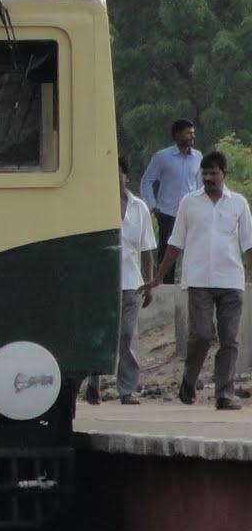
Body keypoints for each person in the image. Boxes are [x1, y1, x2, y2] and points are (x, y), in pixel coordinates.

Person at [144, 150, 252, 409]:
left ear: (224, 174)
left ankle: (224, 394)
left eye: (213, 173)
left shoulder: (238, 203)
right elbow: (175, 243)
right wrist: (159, 276)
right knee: (202, 335)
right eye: (204, 173)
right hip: (199, 279)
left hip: (230, 280)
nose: (208, 178)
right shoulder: (189, 203)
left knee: (230, 340)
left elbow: (248, 245)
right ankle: (189, 381)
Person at [83, 158, 155, 406]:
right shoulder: (93, 206)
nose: (114, 180)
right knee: (102, 334)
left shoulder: (140, 208)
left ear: (126, 176)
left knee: (126, 335)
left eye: (119, 175)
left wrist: (150, 282)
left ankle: (127, 389)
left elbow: (147, 250)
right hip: (102, 283)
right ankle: (94, 381)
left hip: (132, 283)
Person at [139, 119, 201, 284]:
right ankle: (164, 288)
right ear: (177, 135)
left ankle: (191, 284)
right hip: (168, 212)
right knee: (167, 252)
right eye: (188, 133)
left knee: (193, 251)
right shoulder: (162, 157)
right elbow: (146, 181)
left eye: (193, 132)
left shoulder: (198, 157)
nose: (192, 136)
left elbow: (200, 184)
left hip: (191, 213)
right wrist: (153, 206)